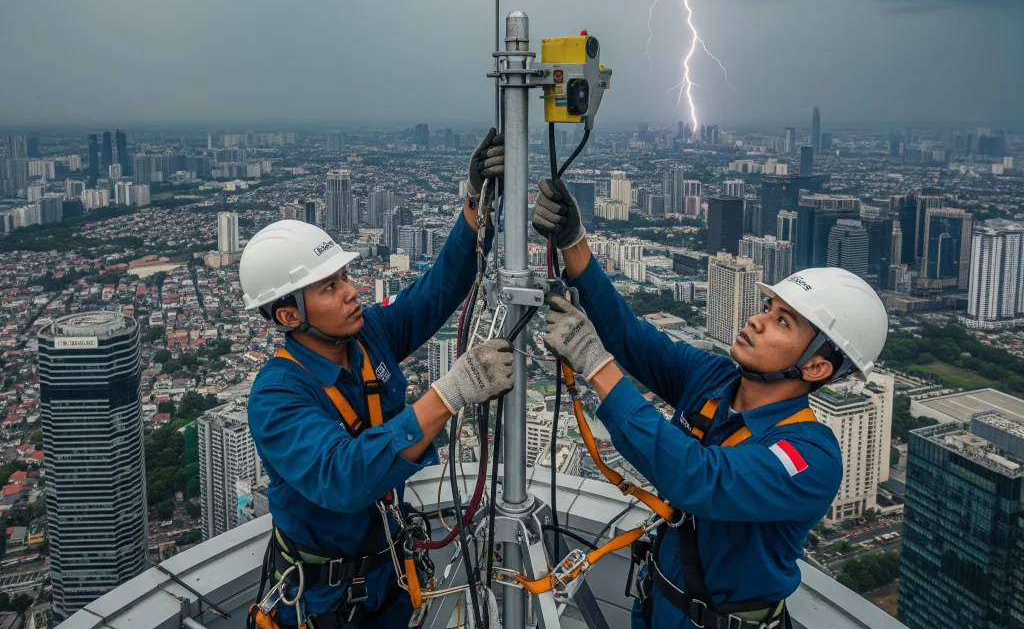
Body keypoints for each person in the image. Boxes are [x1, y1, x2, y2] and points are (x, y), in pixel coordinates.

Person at [532, 177, 888, 629]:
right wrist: (574, 244)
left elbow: (699, 478)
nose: (756, 321)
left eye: (782, 320)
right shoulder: (714, 379)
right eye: (766, 307)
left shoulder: (809, 458)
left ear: (816, 367)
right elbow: (630, 337)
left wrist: (596, 367)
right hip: (655, 605)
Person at [242, 130, 512, 629]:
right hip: (324, 605)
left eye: (344, 277)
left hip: (391, 575)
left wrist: (477, 203)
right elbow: (343, 478)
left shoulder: (369, 336)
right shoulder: (277, 396)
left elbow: (437, 290)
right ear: (288, 316)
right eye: (329, 286)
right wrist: (449, 394)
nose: (351, 292)